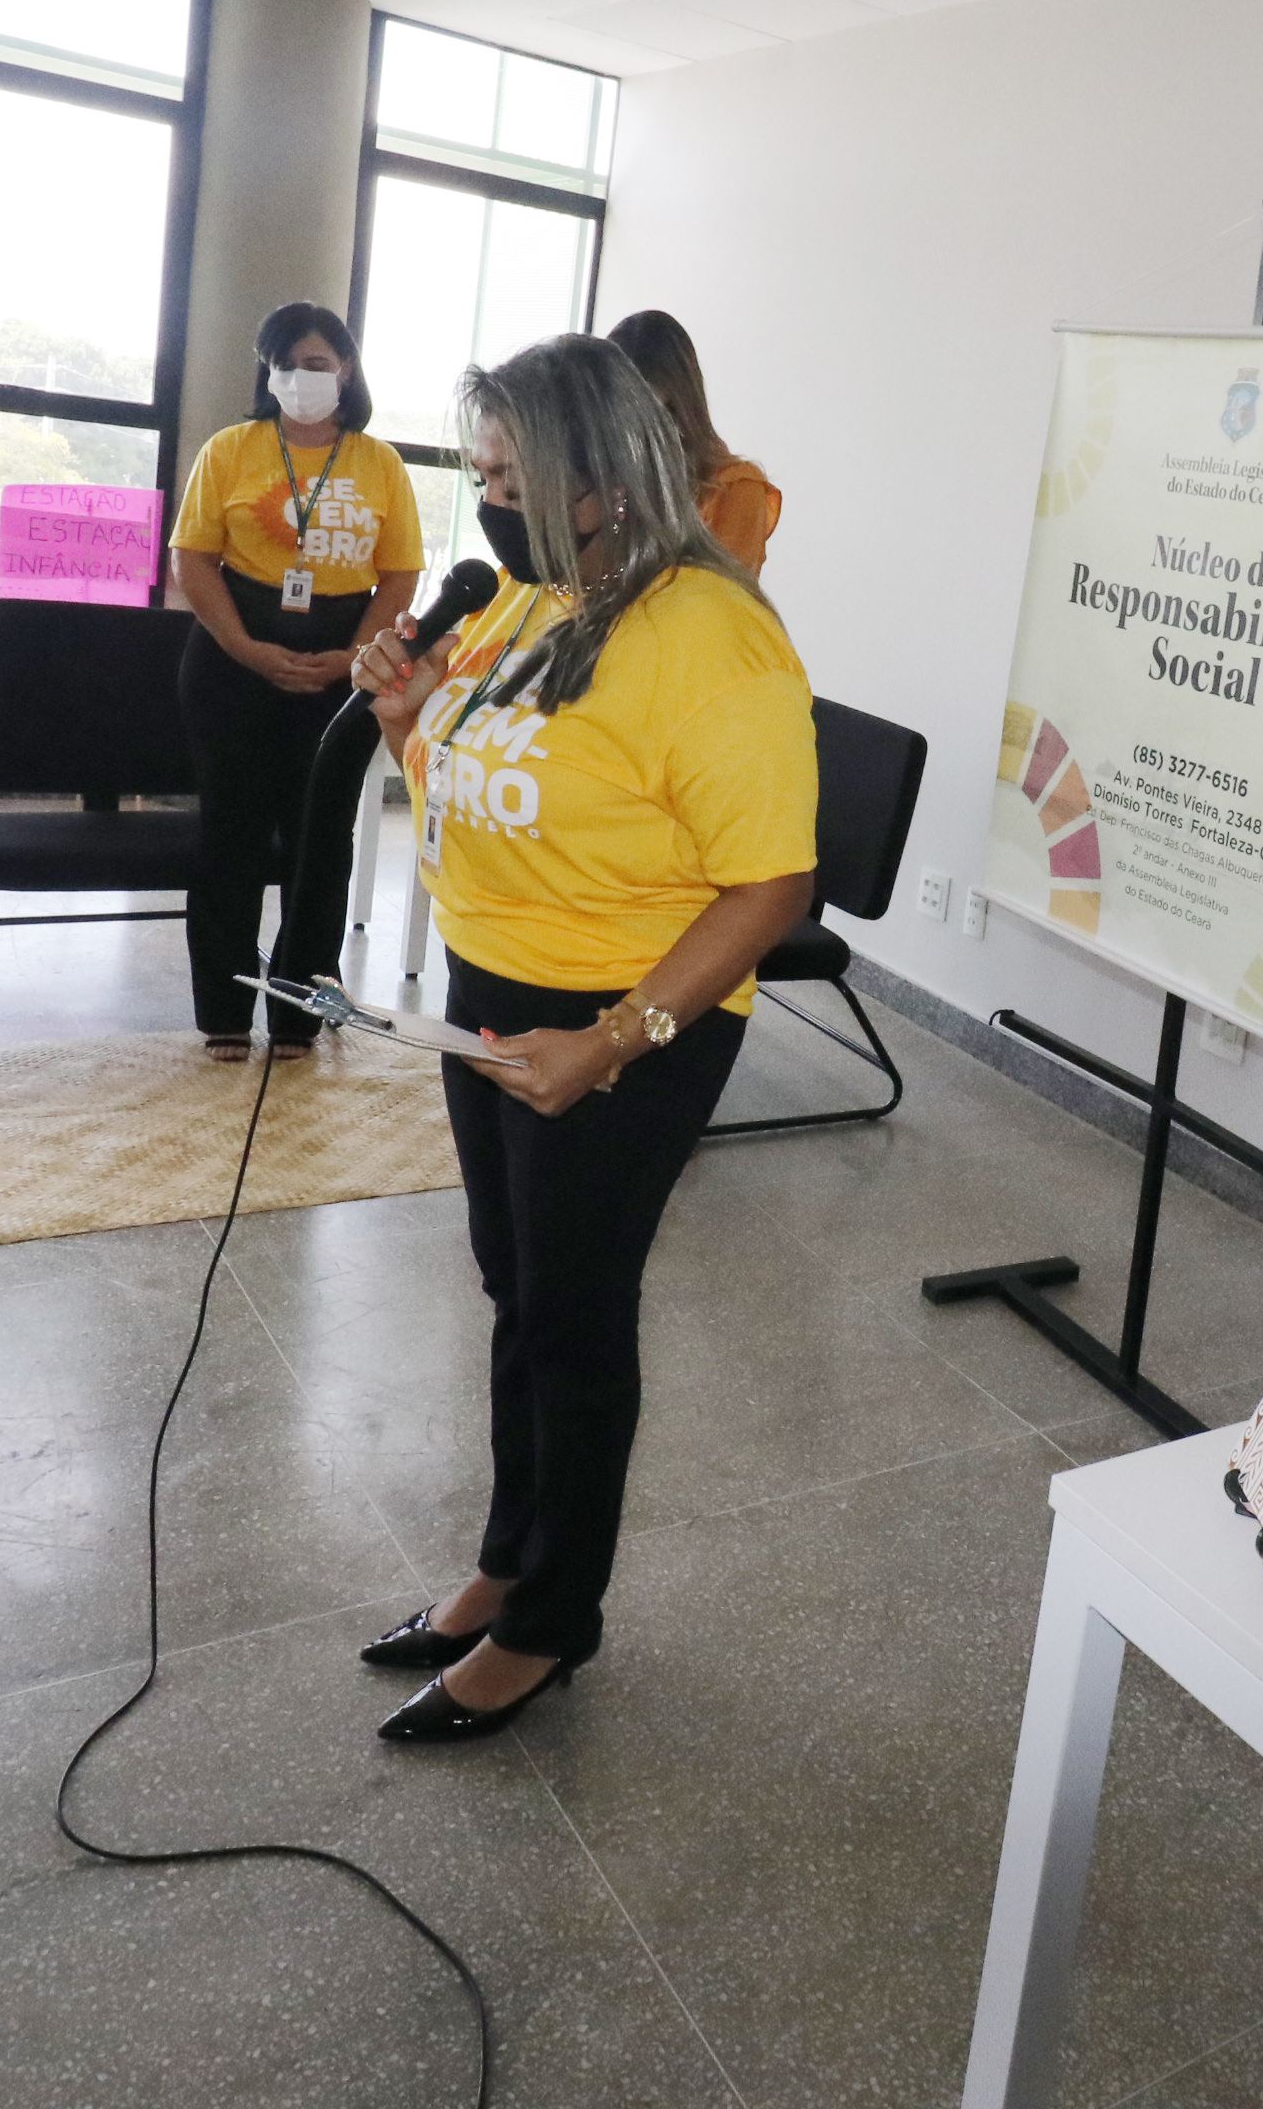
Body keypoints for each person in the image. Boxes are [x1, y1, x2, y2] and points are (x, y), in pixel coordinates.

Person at [347, 333, 815, 1742]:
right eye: (483, 475)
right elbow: (480, 784)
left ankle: (553, 1623)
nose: (491, 503)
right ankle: (508, 1563)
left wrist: (612, 1043)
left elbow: (772, 890)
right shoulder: (527, 602)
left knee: (574, 1312)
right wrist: (404, 721)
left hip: (629, 1017)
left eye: (513, 477)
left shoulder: (713, 636)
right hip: (488, 997)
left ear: (605, 480)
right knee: (518, 1287)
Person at [168, 303, 421, 1058]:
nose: (302, 378)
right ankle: (223, 1013)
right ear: (267, 372)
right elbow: (193, 560)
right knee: (231, 837)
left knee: (322, 843)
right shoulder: (230, 448)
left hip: (345, 662)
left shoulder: (380, 463)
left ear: (346, 370)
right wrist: (246, 648)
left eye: (317, 365)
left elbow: (400, 574)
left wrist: (354, 656)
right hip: (233, 658)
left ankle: (298, 1015)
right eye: (287, 365)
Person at [604, 309, 780, 572]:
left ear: (682, 405)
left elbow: (721, 592)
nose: (635, 430)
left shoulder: (735, 489)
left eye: (655, 413)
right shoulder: (594, 480)